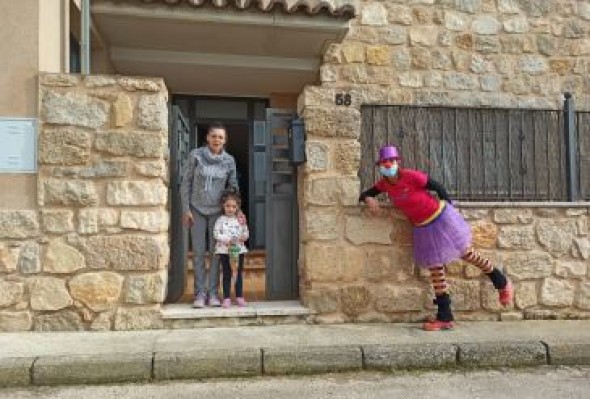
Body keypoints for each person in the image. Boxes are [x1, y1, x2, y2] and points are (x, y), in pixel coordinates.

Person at [359, 145, 513, 331]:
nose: (388, 165)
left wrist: (450, 210)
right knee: (435, 270)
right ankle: (445, 316)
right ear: (380, 166)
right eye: (384, 163)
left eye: (391, 161)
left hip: (439, 218)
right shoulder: (383, 184)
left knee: (466, 254)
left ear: (397, 162)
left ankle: (502, 282)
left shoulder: (411, 176)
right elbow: (366, 193)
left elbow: (438, 187)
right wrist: (369, 199)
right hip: (422, 228)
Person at [180, 122, 239, 308]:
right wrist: (185, 209)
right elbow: (186, 183)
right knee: (198, 253)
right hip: (196, 210)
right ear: (207, 137)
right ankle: (199, 293)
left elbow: (233, 187)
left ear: (224, 140)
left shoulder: (229, 161)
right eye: (214, 136)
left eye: (221, 137)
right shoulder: (195, 155)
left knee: (216, 254)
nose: (217, 140)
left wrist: (234, 213)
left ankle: (213, 293)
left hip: (218, 214)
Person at [213, 189, 249, 308]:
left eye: (234, 206)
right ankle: (227, 298)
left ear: (237, 206)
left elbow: (246, 232)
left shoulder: (240, 219)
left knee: (238, 273)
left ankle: (239, 296)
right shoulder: (220, 220)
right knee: (227, 274)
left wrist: (243, 236)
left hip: (238, 250)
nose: (230, 209)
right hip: (224, 251)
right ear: (223, 206)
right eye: (228, 206)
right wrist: (226, 239)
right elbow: (216, 234)